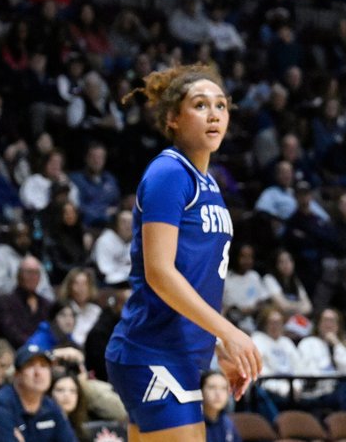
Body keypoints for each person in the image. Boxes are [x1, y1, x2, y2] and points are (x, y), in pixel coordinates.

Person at [104, 65, 260, 442]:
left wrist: (217, 340)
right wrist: (229, 331)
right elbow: (160, 272)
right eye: (200, 105)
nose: (214, 114)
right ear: (173, 118)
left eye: (221, 106)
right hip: (153, 350)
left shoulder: (207, 181)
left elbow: (199, 277)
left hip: (179, 352)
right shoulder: (169, 173)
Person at [0, 346, 72, 442]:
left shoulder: (51, 407)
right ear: (17, 374)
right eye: (30, 366)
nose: (38, 373)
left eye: (44, 366)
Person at [199, 373, 239, 442]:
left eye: (223, 388)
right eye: (212, 387)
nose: (218, 393)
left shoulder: (228, 424)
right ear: (201, 392)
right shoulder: (192, 424)